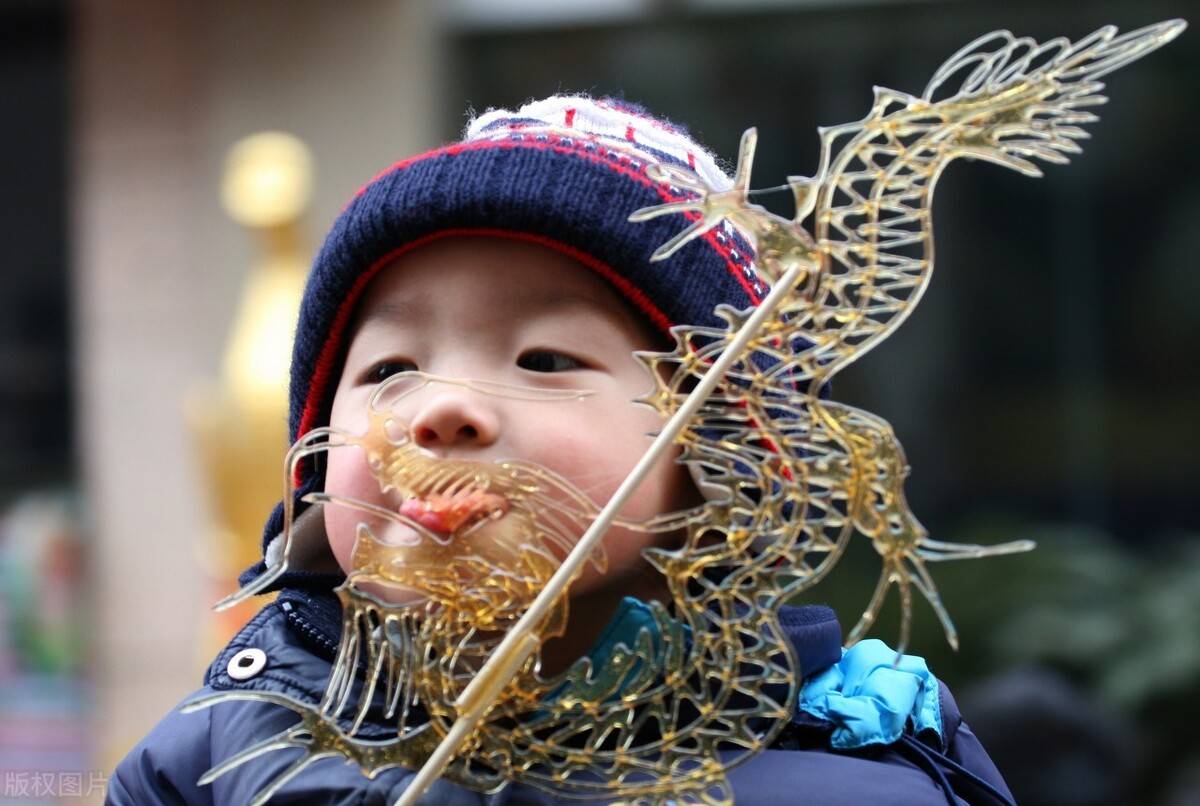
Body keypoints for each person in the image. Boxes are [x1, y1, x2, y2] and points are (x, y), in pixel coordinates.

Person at [109, 95, 1013, 804]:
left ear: (717, 461)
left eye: (545, 358)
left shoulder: (864, 778)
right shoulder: (216, 762)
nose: (445, 408)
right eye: (388, 367)